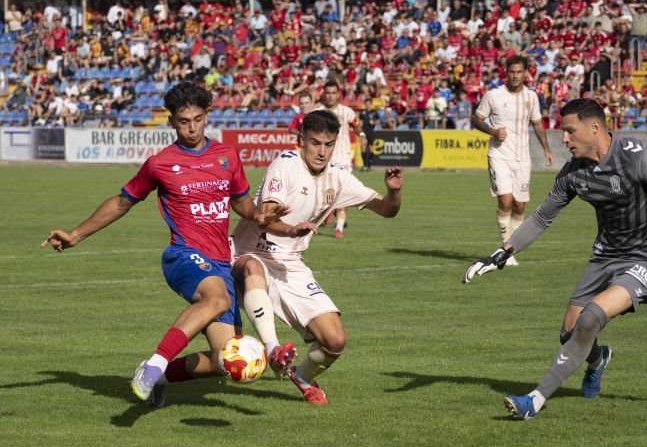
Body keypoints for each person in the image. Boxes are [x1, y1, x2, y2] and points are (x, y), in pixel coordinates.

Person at [463, 99, 647, 420]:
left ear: (594, 127)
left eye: (570, 131)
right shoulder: (573, 173)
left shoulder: (638, 159)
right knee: (569, 333)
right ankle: (598, 360)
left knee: (590, 319)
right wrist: (502, 253)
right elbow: (542, 218)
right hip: (605, 255)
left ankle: (534, 400)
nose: (564, 139)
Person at [40, 82, 285, 407]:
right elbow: (121, 202)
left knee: (222, 359)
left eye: (198, 119)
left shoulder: (226, 156)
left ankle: (160, 375)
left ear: (206, 115)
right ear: (171, 121)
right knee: (219, 298)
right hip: (183, 255)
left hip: (220, 262)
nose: (192, 128)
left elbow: (242, 204)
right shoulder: (161, 163)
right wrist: (75, 235)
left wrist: (261, 216)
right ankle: (154, 365)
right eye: (184, 121)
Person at [231, 110, 403, 405]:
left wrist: (393, 193)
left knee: (335, 340)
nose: (322, 152)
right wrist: (291, 229)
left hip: (290, 263)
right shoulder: (285, 165)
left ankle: (302, 376)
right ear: (302, 140)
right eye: (315, 143)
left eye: (328, 144)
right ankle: (273, 350)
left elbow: (387, 209)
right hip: (249, 252)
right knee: (252, 268)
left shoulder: (338, 178)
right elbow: (265, 218)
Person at [472, 55, 554, 267]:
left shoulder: (531, 97)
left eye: (519, 71)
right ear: (506, 73)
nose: (515, 75)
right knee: (505, 201)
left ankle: (511, 248)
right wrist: (492, 130)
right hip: (499, 155)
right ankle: (505, 250)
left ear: (525, 73)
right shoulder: (493, 95)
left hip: (522, 158)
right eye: (512, 71)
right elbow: (477, 118)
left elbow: (537, 124)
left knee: (519, 205)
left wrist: (546, 149)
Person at [315, 81, 367, 239]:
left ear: (338, 94)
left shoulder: (347, 112)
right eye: (328, 93)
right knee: (320, 194)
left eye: (333, 93)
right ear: (324, 94)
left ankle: (339, 228)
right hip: (323, 159)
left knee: (342, 195)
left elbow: (357, 126)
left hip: (343, 160)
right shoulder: (318, 112)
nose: (330, 96)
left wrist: (362, 135)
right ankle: (318, 220)